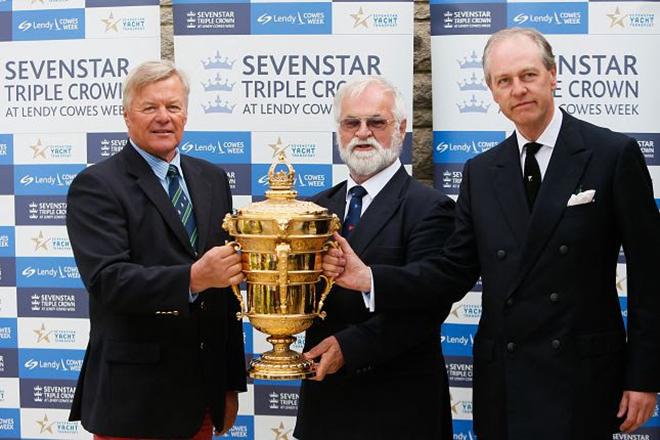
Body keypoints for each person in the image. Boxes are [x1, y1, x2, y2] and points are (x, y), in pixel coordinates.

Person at [324, 28, 660, 439]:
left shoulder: (612, 155)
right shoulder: (481, 172)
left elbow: (650, 274)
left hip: (581, 375)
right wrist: (370, 278)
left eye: (528, 75)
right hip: (505, 380)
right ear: (492, 92)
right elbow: (451, 272)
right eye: (504, 81)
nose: (517, 89)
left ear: (553, 76)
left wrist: (643, 376)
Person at [66, 60, 247, 439]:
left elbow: (224, 297)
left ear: (186, 112)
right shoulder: (96, 185)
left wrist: (230, 385)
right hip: (134, 401)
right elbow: (108, 282)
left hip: (202, 396)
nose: (164, 117)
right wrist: (194, 278)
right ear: (126, 115)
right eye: (150, 107)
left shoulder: (212, 178)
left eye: (173, 107)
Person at [293, 76, 456, 440]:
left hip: (400, 411)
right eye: (352, 122)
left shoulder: (431, 208)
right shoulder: (314, 210)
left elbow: (428, 306)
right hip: (324, 408)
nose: (362, 133)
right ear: (339, 130)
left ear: (400, 128)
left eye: (376, 122)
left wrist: (348, 346)